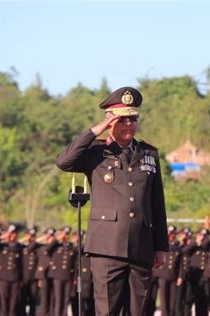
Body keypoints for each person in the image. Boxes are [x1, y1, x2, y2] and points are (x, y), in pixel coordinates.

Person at [56, 86, 169, 315]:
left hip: (142, 245)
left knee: (139, 310)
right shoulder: (96, 153)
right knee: (107, 310)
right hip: (107, 246)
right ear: (111, 122)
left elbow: (157, 202)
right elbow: (64, 162)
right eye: (123, 119)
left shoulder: (148, 154)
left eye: (133, 118)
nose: (129, 124)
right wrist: (97, 129)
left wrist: (161, 246)